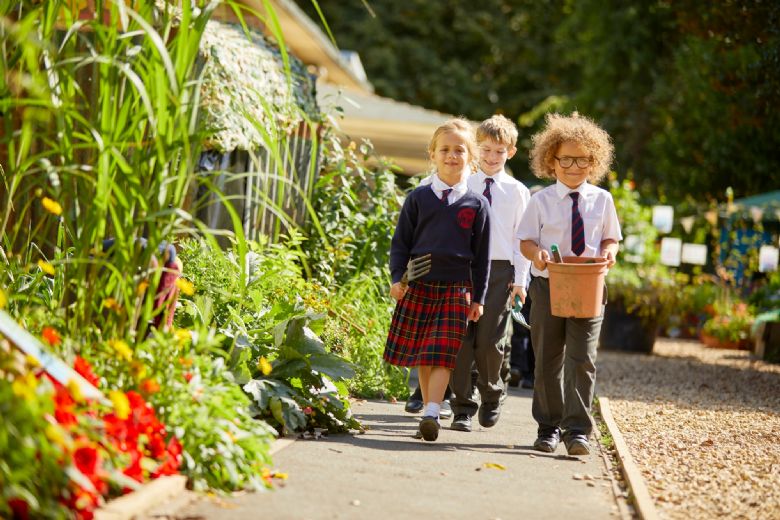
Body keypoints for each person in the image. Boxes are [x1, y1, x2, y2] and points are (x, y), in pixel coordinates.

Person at [517, 112, 621, 456]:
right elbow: (526, 241)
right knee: (547, 358)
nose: (574, 166)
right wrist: (537, 256)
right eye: (566, 159)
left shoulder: (602, 200)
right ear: (552, 160)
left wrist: (609, 254)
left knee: (582, 359)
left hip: (589, 288)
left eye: (582, 159)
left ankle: (577, 431)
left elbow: (611, 240)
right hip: (548, 287)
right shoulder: (540, 201)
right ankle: (547, 427)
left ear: (594, 161)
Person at [384, 117, 491, 442]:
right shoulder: (418, 198)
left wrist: (479, 299)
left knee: (442, 351)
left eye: (460, 150)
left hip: (457, 288)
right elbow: (400, 243)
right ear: (432, 154)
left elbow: (482, 256)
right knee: (424, 352)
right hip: (419, 285)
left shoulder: (478, 204)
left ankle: (431, 412)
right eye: (444, 149)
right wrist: (397, 279)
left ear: (470, 158)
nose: (452, 155)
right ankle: (430, 407)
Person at [447, 115, 531, 433]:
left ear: (510, 152)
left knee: (489, 341)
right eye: (485, 150)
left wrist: (520, 280)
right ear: (476, 149)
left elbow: (521, 240)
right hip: (463, 268)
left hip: (499, 271)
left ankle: (492, 396)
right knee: (462, 340)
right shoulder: (463, 183)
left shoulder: (517, 191)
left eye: (499, 151)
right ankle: (462, 407)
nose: (492, 157)